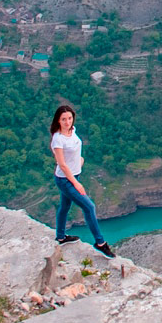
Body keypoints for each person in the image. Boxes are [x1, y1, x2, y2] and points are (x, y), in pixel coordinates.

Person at [49, 104, 115, 258]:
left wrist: (80, 162)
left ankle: (60, 236)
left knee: (64, 206)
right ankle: (100, 243)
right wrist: (76, 183)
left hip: (74, 175)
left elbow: (74, 152)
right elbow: (62, 164)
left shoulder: (73, 131)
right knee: (89, 207)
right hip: (65, 179)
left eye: (70, 118)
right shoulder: (58, 139)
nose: (67, 122)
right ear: (58, 120)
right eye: (63, 119)